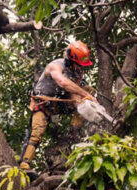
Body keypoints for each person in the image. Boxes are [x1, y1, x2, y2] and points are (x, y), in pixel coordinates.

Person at [20, 40, 97, 170]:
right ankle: (25, 163)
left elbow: (73, 93)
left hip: (60, 103)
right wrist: (84, 94)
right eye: (78, 64)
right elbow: (62, 82)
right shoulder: (56, 66)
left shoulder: (77, 72)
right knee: (37, 132)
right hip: (43, 103)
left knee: (88, 91)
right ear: (70, 60)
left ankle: (74, 132)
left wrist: (84, 100)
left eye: (81, 65)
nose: (80, 68)